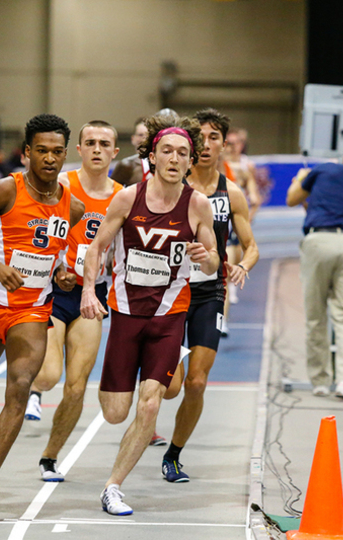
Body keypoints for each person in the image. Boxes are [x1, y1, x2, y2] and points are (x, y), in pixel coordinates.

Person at [79, 113, 218, 515]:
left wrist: (203, 256)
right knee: (114, 412)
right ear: (152, 156)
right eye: (167, 151)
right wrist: (90, 289)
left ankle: (113, 487)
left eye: (183, 154)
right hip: (126, 314)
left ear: (191, 161)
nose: (175, 159)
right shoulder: (128, 198)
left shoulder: (198, 205)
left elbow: (212, 265)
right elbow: (97, 248)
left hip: (169, 316)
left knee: (151, 403)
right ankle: (169, 373)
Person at [0, 114, 84, 517]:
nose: (49, 159)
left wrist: (61, 273)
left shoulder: (70, 207)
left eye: (57, 152)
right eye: (41, 150)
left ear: (64, 156)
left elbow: (58, 255)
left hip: (31, 311)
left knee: (21, 384)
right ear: (27, 152)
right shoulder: (3, 191)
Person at [159, 108, 259, 482]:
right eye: (199, 137)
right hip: (168, 292)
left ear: (224, 144)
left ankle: (173, 455)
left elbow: (251, 246)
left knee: (196, 382)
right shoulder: (168, 184)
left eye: (214, 137)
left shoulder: (230, 193)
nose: (205, 144)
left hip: (208, 294)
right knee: (169, 386)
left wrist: (242, 266)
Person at [23, 120, 124, 484]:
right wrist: (55, 271)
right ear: (78, 150)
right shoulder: (62, 185)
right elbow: (37, 235)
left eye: (105, 143)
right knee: (49, 375)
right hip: (54, 291)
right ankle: (31, 389)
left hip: (92, 296)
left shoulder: (123, 196)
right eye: (90, 143)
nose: (97, 149)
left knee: (77, 385)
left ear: (115, 152)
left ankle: (50, 456)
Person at [286, 145, 343, 401]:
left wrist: (299, 180)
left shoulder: (323, 170)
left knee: (315, 315)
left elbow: (292, 199)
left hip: (318, 242)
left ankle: (321, 382)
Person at [221, 128, 261, 333]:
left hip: (232, 224)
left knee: (227, 269)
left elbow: (254, 199)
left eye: (236, 143)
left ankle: (223, 320)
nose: (232, 146)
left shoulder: (246, 168)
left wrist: (245, 220)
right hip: (217, 222)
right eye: (229, 143)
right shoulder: (214, 167)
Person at [111, 117, 151, 187]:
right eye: (141, 135)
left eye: (148, 135)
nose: (145, 139)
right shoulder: (126, 165)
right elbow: (111, 192)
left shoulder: (161, 166)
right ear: (133, 139)